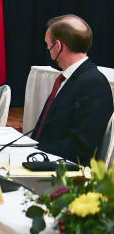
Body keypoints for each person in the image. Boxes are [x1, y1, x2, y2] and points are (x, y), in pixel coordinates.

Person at [32, 15, 113, 163]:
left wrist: (35, 152)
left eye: (47, 44)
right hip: (46, 159)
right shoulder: (72, 77)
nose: (48, 50)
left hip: (65, 173)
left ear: (57, 46)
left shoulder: (94, 84)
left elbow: (80, 148)